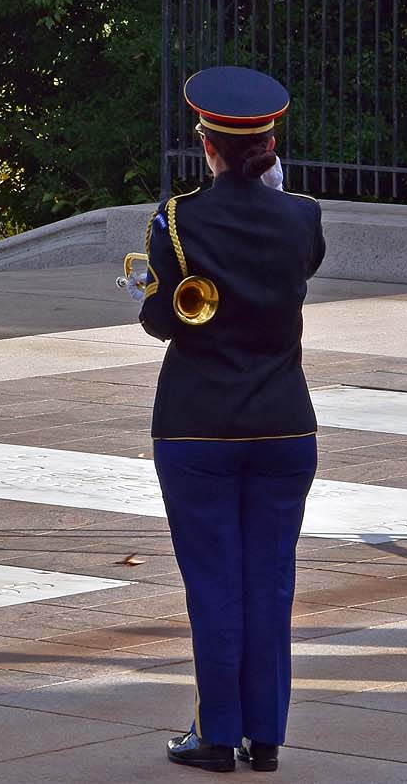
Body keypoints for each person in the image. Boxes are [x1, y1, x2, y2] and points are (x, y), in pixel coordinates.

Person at [133, 65, 326, 773]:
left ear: (207, 147)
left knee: (213, 580)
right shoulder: (302, 217)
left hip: (196, 424)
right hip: (283, 423)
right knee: (270, 579)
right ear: (269, 145)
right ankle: (265, 734)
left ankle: (217, 732)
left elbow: (159, 320)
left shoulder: (177, 219)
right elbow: (301, 259)